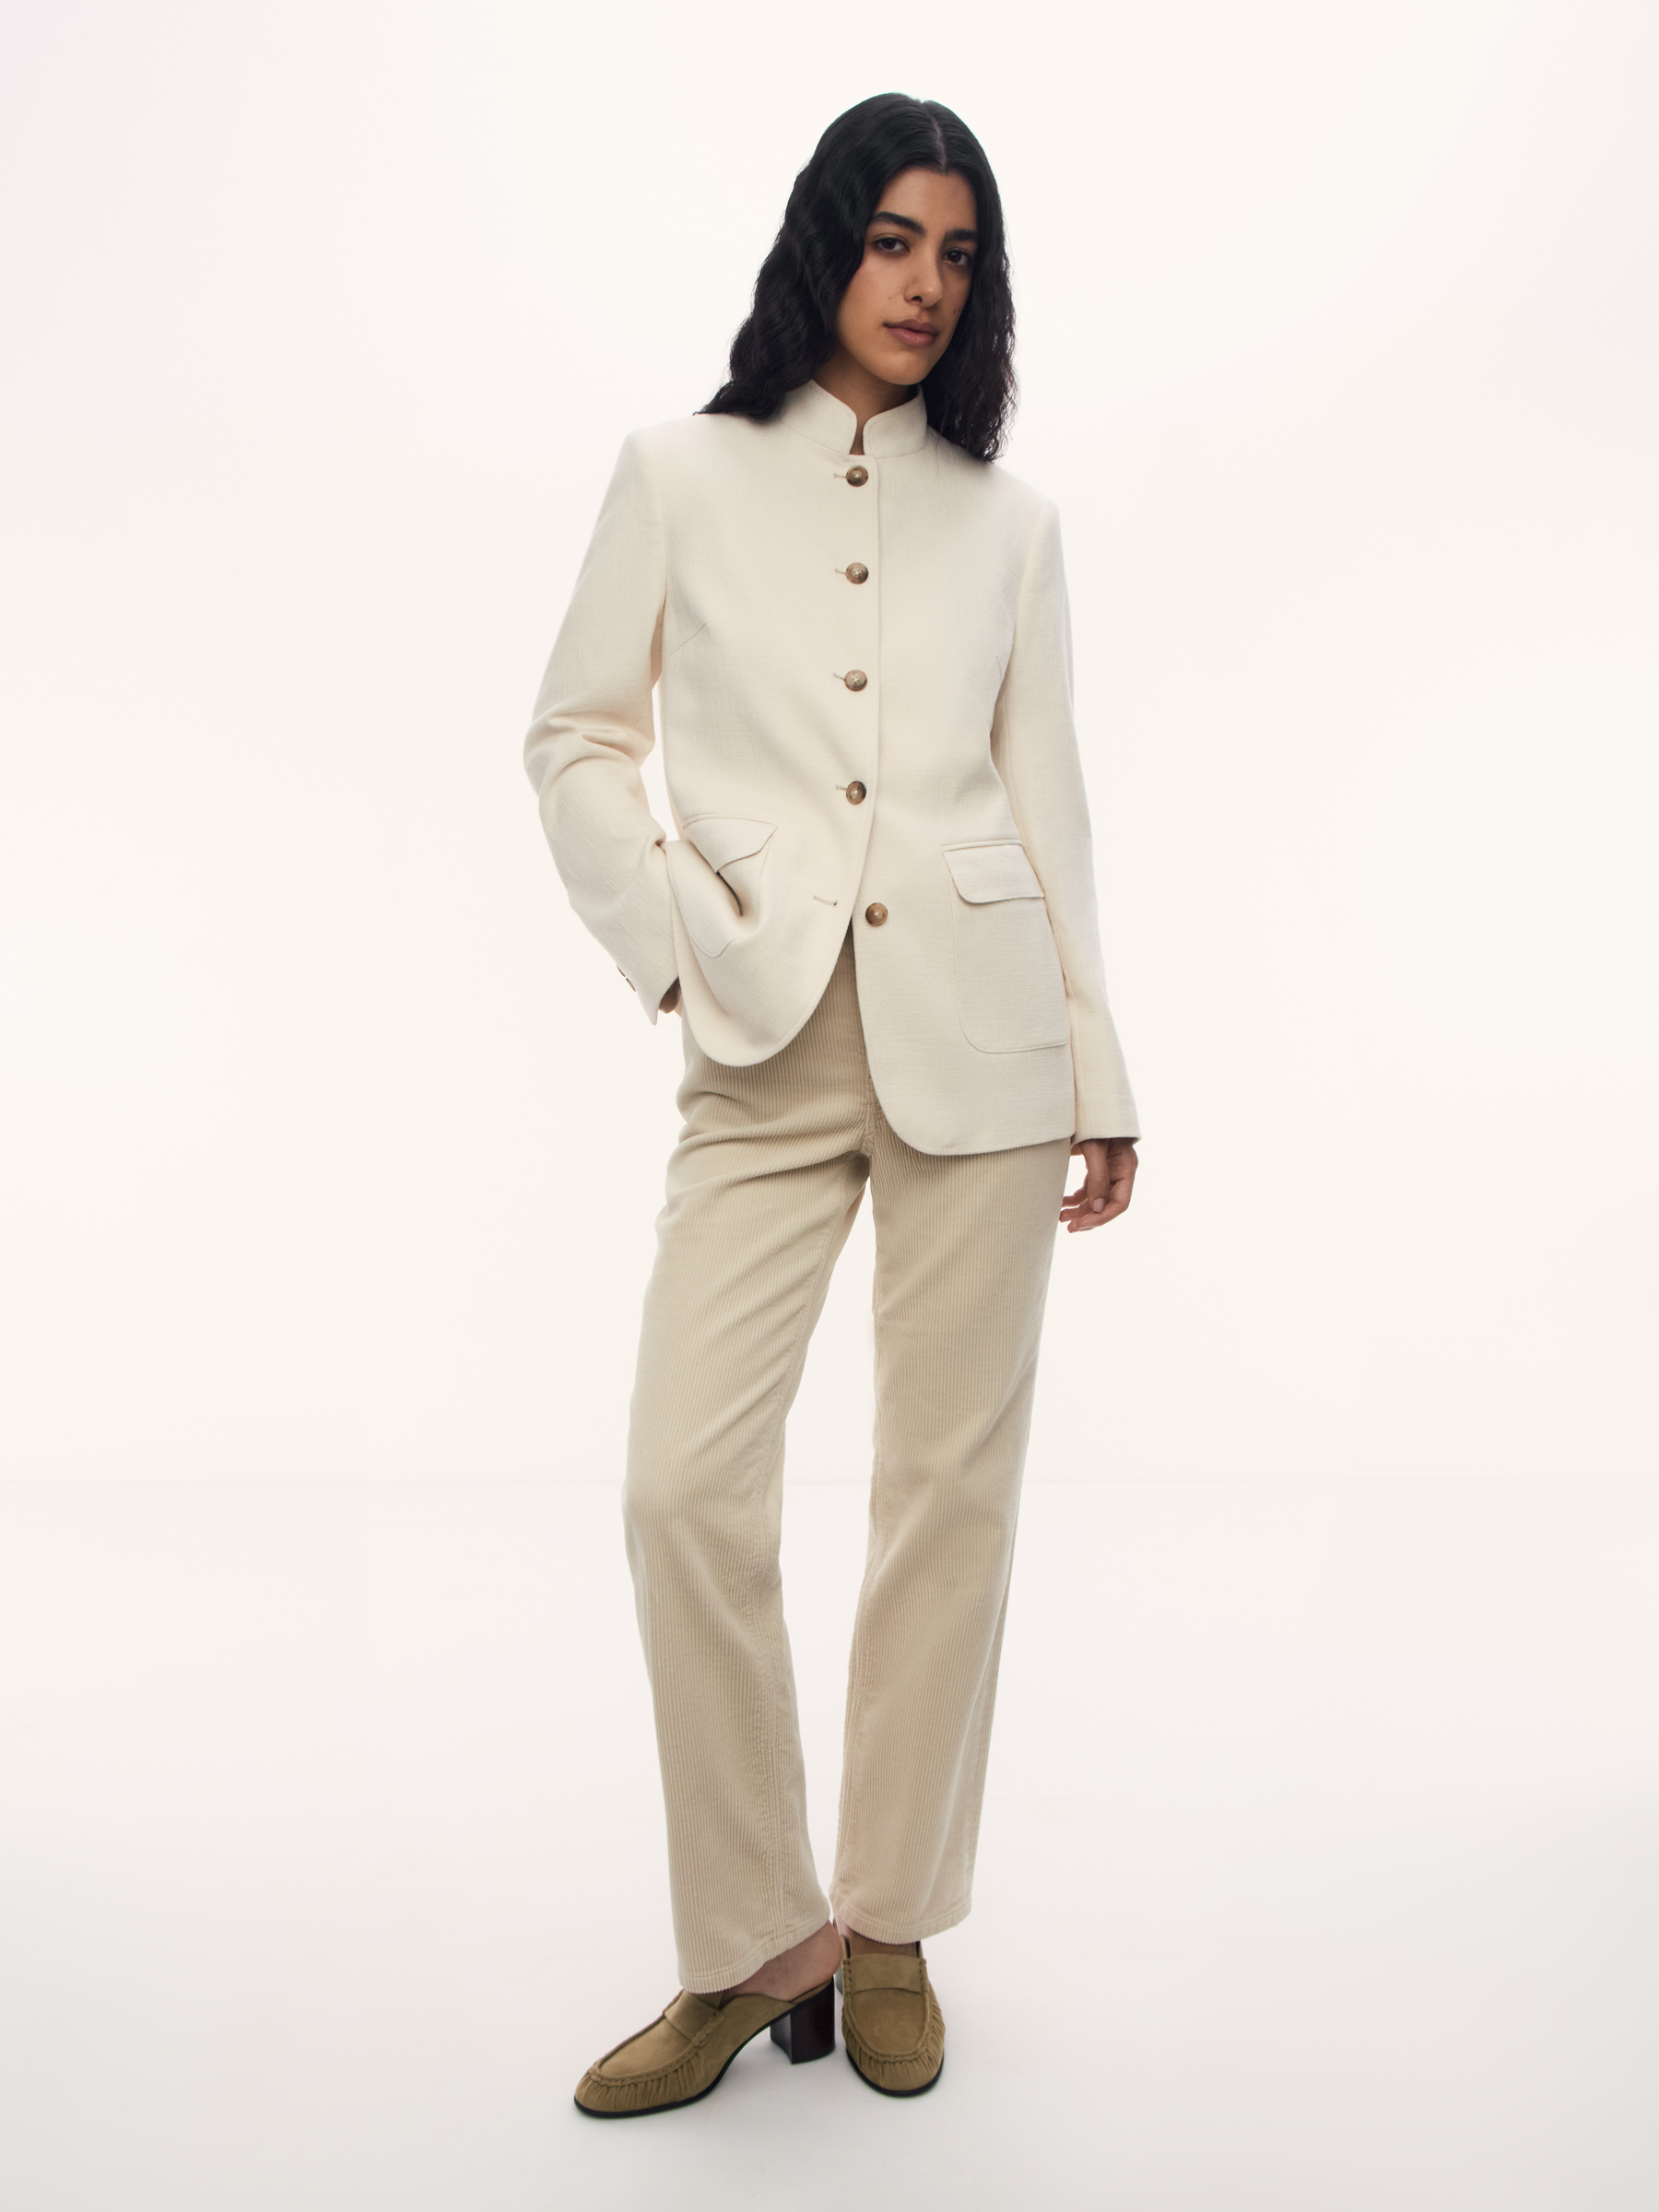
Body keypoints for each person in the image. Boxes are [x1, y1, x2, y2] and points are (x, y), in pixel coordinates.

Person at [524, 92, 1138, 2115]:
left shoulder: (1012, 525)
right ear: (826, 246)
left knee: (946, 1499)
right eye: (893, 241)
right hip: (763, 1040)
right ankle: (754, 1935)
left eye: (958, 253)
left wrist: (1102, 1064)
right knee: (680, 1488)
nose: (925, 284)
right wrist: (676, 947)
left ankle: (889, 1925)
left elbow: (1048, 803)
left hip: (988, 1040)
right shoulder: (678, 473)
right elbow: (574, 738)